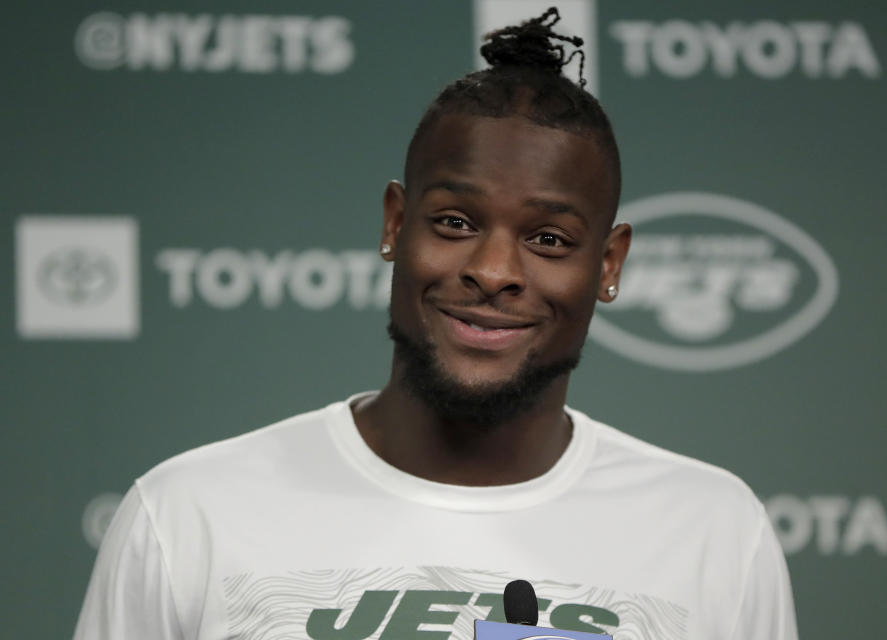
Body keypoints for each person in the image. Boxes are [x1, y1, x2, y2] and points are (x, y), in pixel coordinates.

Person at [74, 9, 797, 640]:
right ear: (395, 223)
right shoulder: (189, 516)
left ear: (609, 264)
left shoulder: (713, 532)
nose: (492, 270)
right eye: (454, 222)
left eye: (548, 239)